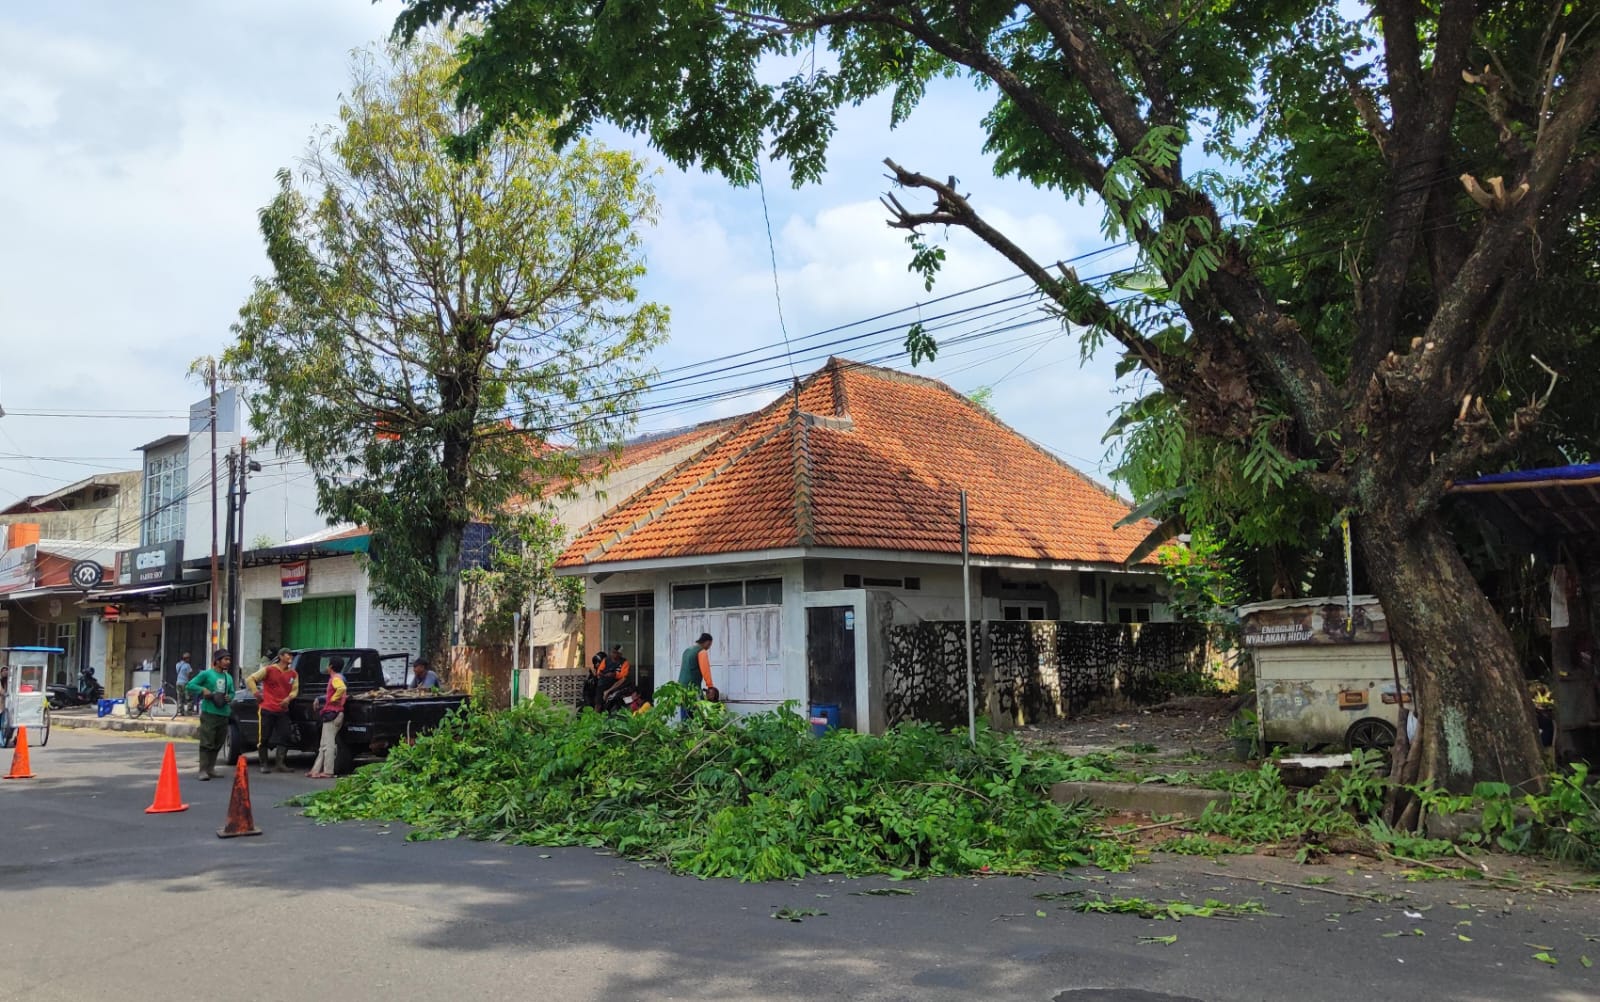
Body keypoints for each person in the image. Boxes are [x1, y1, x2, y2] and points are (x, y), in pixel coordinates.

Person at [245, 648, 299, 773]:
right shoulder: (269, 669)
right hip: (267, 708)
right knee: (264, 738)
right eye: (288, 654)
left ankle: (280, 763)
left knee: (285, 735)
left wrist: (288, 698)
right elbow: (250, 679)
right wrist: (256, 693)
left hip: (283, 710)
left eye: (291, 655)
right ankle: (263, 764)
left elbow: (295, 690)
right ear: (281, 656)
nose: (290, 657)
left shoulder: (293, 674)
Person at [184, 650, 236, 781]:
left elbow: (232, 692)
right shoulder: (207, 674)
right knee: (207, 742)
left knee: (218, 742)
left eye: (229, 660)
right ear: (217, 661)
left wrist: (229, 697)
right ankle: (203, 770)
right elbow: (190, 685)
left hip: (223, 713)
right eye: (225, 659)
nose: (228, 662)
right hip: (210, 713)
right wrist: (203, 690)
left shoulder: (228, 677)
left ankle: (211, 768)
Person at [308, 657, 348, 779]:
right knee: (324, 744)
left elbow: (342, 689)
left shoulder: (336, 678)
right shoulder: (339, 677)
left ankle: (328, 771)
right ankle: (315, 770)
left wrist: (333, 699)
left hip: (333, 713)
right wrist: (322, 698)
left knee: (328, 744)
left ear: (330, 666)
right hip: (334, 713)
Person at [677, 633, 714, 719]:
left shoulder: (687, 651)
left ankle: (685, 731)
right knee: (697, 714)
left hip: (681, 688)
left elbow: (684, 670)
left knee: (685, 713)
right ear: (707, 642)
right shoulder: (702, 652)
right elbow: (706, 670)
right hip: (693, 689)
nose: (708, 648)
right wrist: (710, 686)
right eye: (709, 645)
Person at [596, 645, 632, 711]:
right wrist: (603, 674)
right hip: (605, 681)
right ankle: (597, 710)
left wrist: (614, 674)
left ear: (620, 654)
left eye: (616, 653)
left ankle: (607, 692)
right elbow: (599, 671)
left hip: (617, 682)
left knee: (623, 679)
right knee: (598, 698)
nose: (614, 654)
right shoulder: (606, 660)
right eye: (613, 652)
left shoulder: (625, 662)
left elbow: (624, 675)